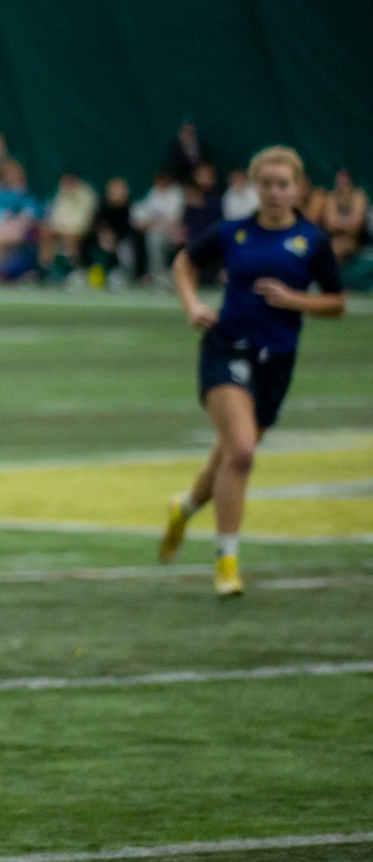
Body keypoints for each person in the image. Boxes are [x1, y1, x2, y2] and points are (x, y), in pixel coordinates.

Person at [160, 146, 345, 596]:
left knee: (230, 452)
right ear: (254, 186)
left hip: (276, 361)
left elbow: (336, 303)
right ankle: (227, 562)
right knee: (241, 449)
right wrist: (192, 305)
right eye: (267, 184)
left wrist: (296, 300)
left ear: (298, 187)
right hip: (226, 347)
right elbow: (183, 262)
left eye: (284, 184)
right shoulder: (233, 233)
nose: (275, 192)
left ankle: (184, 507)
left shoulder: (312, 242)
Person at [39, 172, 98, 281]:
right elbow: (55, 217)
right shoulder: (61, 194)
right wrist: (56, 228)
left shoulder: (87, 196)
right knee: (46, 233)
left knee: (70, 236)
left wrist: (63, 229)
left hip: (81, 232)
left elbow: (82, 223)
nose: (63, 186)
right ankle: (46, 269)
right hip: (62, 229)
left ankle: (74, 270)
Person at [132, 171, 186, 281]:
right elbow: (142, 217)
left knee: (156, 238)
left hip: (175, 233)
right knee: (152, 238)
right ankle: (157, 274)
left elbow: (174, 220)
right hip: (155, 231)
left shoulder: (177, 194)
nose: (160, 184)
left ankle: (171, 275)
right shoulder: (153, 192)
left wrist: (155, 223)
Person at [90, 177, 143, 287]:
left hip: (122, 240)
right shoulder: (102, 205)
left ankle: (126, 275)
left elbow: (129, 228)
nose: (119, 194)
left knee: (126, 249)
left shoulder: (128, 207)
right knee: (101, 249)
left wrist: (116, 241)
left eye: (122, 190)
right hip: (102, 240)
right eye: (116, 191)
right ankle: (97, 273)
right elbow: (97, 225)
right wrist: (105, 236)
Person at [314, 167, 366, 259]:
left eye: (345, 183)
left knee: (338, 249)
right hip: (334, 239)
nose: (342, 187)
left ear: (351, 183)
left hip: (355, 241)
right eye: (339, 183)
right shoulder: (331, 197)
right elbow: (330, 225)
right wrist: (347, 224)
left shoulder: (358, 196)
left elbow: (355, 227)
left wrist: (339, 223)